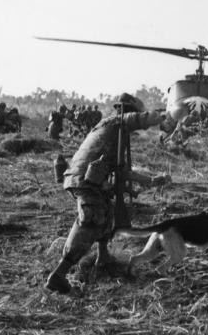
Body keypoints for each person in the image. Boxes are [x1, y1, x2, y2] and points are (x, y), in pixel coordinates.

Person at [45, 93, 172, 294]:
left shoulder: (114, 132)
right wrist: (168, 116)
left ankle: (103, 258)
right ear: (128, 111)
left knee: (107, 215)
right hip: (85, 179)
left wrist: (151, 181)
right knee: (91, 221)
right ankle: (58, 274)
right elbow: (141, 119)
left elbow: (123, 172)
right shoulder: (116, 122)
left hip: (89, 179)